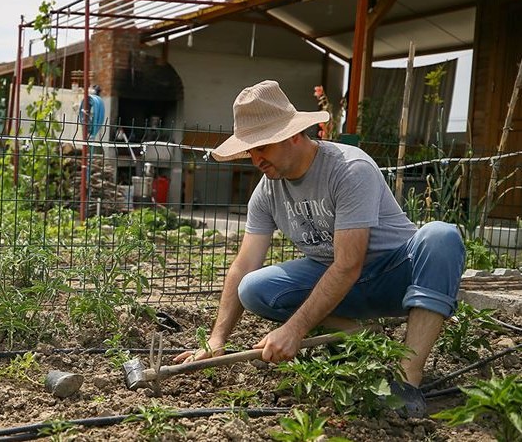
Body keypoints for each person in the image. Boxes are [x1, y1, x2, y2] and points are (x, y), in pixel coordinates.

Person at [174, 80, 465, 417]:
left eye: (262, 148)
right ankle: (357, 334)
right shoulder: (267, 191)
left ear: (293, 135)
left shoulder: (347, 169)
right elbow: (243, 264)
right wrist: (217, 338)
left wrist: (294, 330)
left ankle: (406, 379)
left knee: (441, 237)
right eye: (250, 151)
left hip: (395, 275)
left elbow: (349, 264)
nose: (255, 160)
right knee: (252, 288)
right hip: (342, 286)